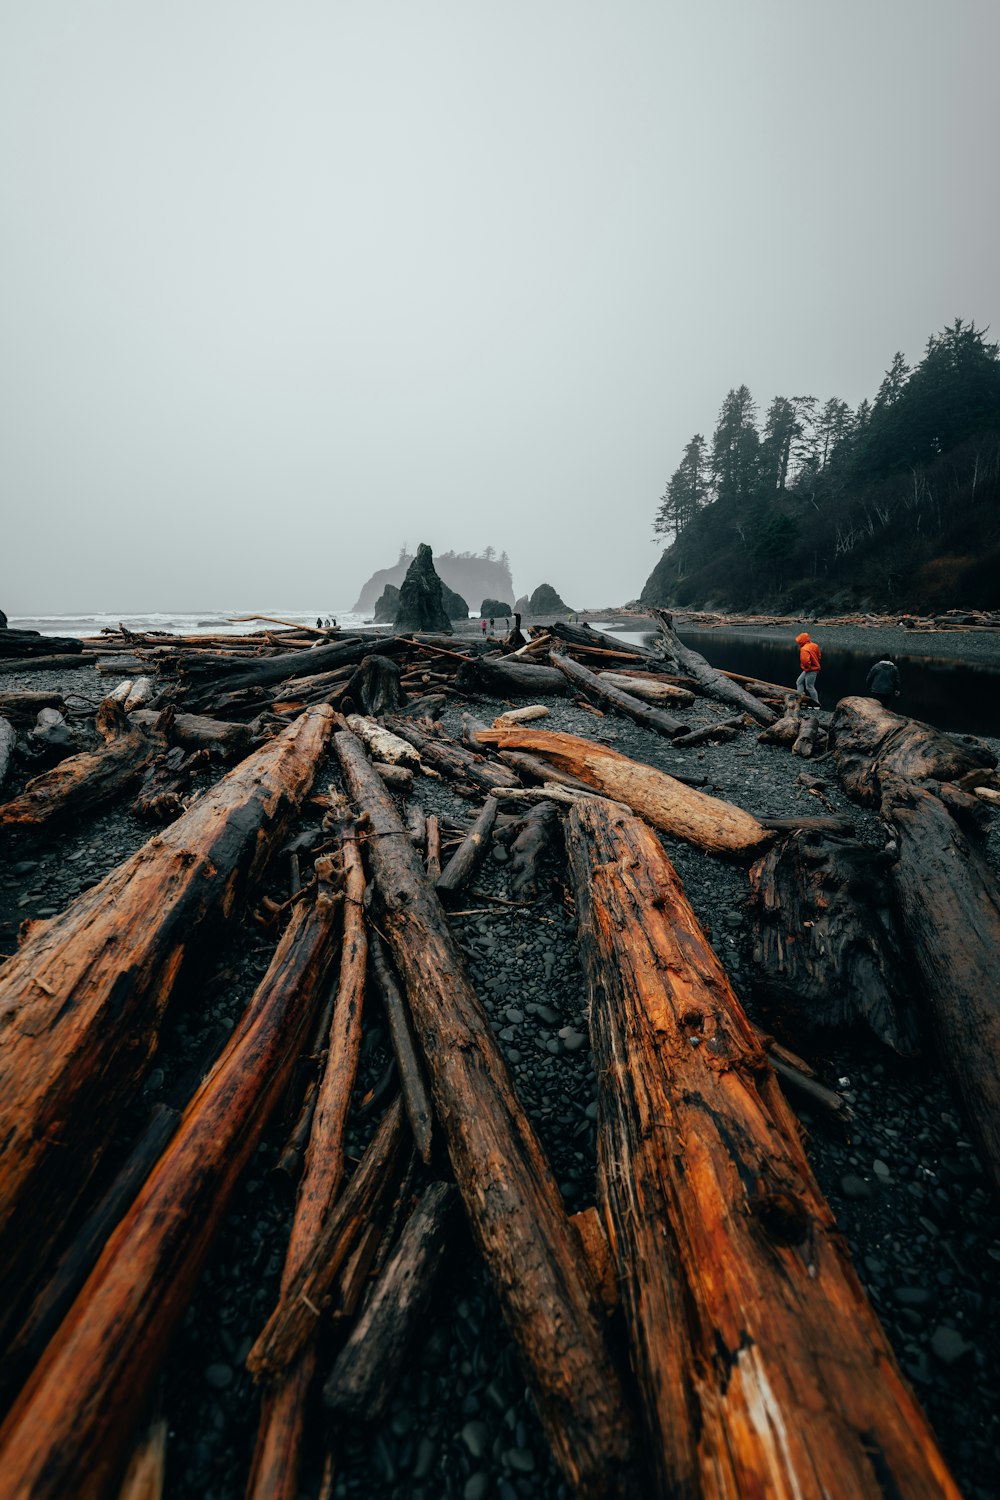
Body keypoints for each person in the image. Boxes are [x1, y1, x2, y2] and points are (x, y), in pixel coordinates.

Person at [795, 631, 822, 706]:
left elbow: (805, 661)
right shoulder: (814, 645)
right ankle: (800, 698)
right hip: (811, 668)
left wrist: (807, 668)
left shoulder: (804, 649)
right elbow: (819, 656)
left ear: (802, 640)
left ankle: (816, 704)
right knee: (799, 682)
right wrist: (815, 664)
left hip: (810, 669)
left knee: (810, 687)